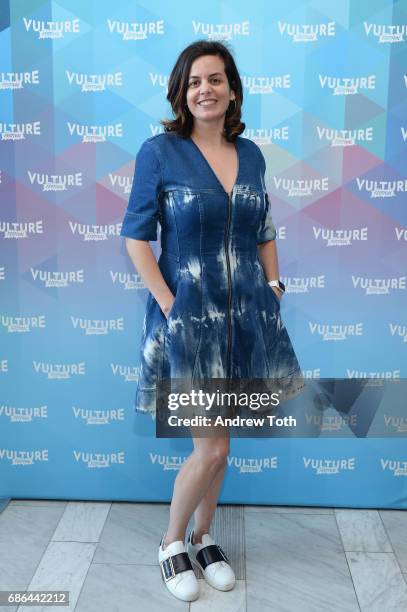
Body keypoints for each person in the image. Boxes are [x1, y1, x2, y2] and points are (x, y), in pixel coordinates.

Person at [120, 40, 305, 602]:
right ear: (182, 91)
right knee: (213, 448)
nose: (207, 89)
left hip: (246, 318)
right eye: (196, 80)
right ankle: (172, 542)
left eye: (217, 79)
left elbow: (264, 227)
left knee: (223, 444)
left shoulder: (251, 154)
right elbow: (135, 236)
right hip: (190, 324)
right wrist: (170, 303)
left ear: (232, 89)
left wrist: (273, 287)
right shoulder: (160, 151)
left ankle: (204, 538)